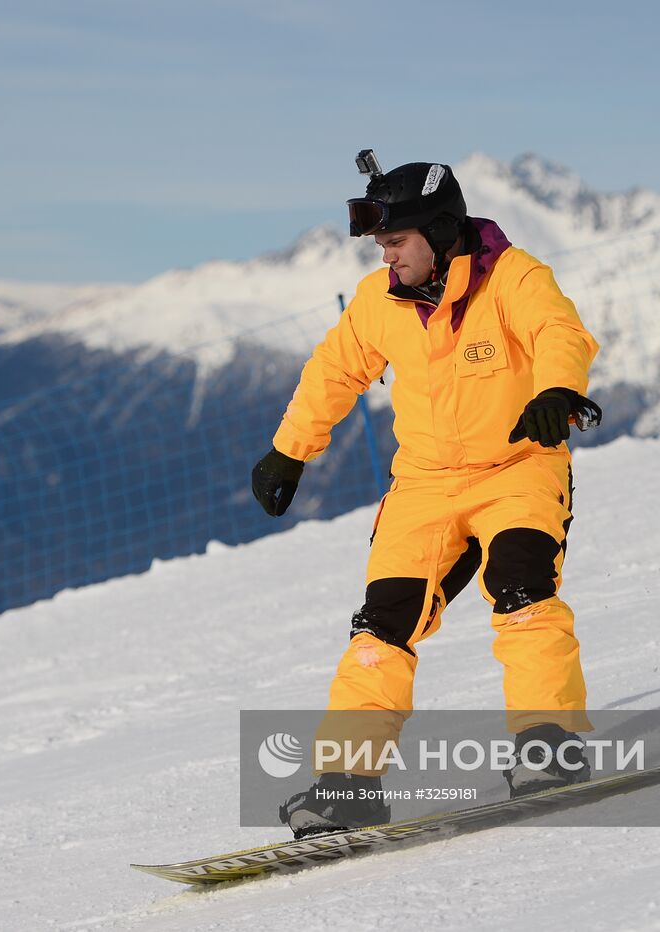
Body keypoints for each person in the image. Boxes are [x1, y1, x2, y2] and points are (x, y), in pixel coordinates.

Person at [251, 152, 604, 838]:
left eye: (396, 242)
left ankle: (548, 749)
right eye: (380, 245)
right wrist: (289, 450)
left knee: (522, 592)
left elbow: (559, 332)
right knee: (381, 627)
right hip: (424, 486)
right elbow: (334, 371)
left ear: (440, 233)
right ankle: (347, 787)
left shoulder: (513, 277)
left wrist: (557, 390)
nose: (387, 257)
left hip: (519, 469)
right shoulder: (379, 300)